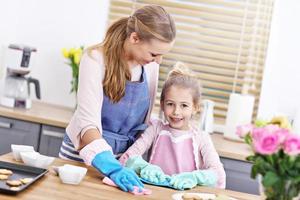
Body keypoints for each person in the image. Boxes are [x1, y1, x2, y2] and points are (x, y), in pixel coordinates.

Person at [58, 5, 176, 192]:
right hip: (82, 157)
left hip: (122, 163)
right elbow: (87, 123)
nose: (159, 61)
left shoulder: (150, 66)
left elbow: (143, 119)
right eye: (154, 54)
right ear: (135, 38)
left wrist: (131, 163)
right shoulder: (95, 59)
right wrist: (111, 167)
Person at [119, 62, 226, 190]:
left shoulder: (201, 138)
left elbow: (218, 174)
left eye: (184, 105)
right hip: (154, 194)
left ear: (195, 108)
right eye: (170, 104)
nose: (176, 111)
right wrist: (142, 166)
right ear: (162, 104)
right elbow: (127, 158)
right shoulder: (155, 129)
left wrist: (195, 177)